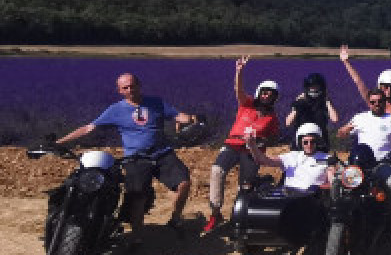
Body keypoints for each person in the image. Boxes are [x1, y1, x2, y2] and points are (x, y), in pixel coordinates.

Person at [57, 72, 198, 245]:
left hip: (162, 153)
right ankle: (137, 236)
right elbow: (88, 128)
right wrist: (60, 142)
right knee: (137, 197)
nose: (130, 90)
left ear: (139, 85)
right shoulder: (115, 110)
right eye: (126, 87)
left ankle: (175, 218)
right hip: (136, 158)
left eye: (133, 85)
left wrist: (191, 118)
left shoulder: (156, 103)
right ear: (119, 91)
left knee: (184, 183)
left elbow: (178, 116)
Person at [204, 56, 281, 233]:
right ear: (259, 92)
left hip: (252, 150)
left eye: (270, 93)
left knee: (245, 186)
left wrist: (259, 141)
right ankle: (215, 214)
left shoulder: (272, 118)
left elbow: (274, 138)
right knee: (217, 171)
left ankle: (238, 217)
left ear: (274, 97)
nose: (266, 95)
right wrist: (239, 71)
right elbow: (238, 90)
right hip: (233, 144)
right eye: (264, 92)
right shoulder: (246, 104)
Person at [244, 123, 334, 191]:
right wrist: (252, 145)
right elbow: (263, 160)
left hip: (313, 200)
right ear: (300, 143)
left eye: (312, 141)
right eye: (305, 142)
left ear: (317, 142)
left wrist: (318, 188)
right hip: (288, 198)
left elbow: (332, 184)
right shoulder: (291, 156)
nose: (309, 145)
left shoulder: (327, 158)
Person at [286, 71, 338, 152]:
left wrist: (328, 102)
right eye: (312, 87)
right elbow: (288, 123)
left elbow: (335, 119)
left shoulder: (324, 103)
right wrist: (297, 105)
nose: (314, 90)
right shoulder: (301, 102)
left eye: (317, 87)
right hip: (302, 141)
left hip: (319, 141)